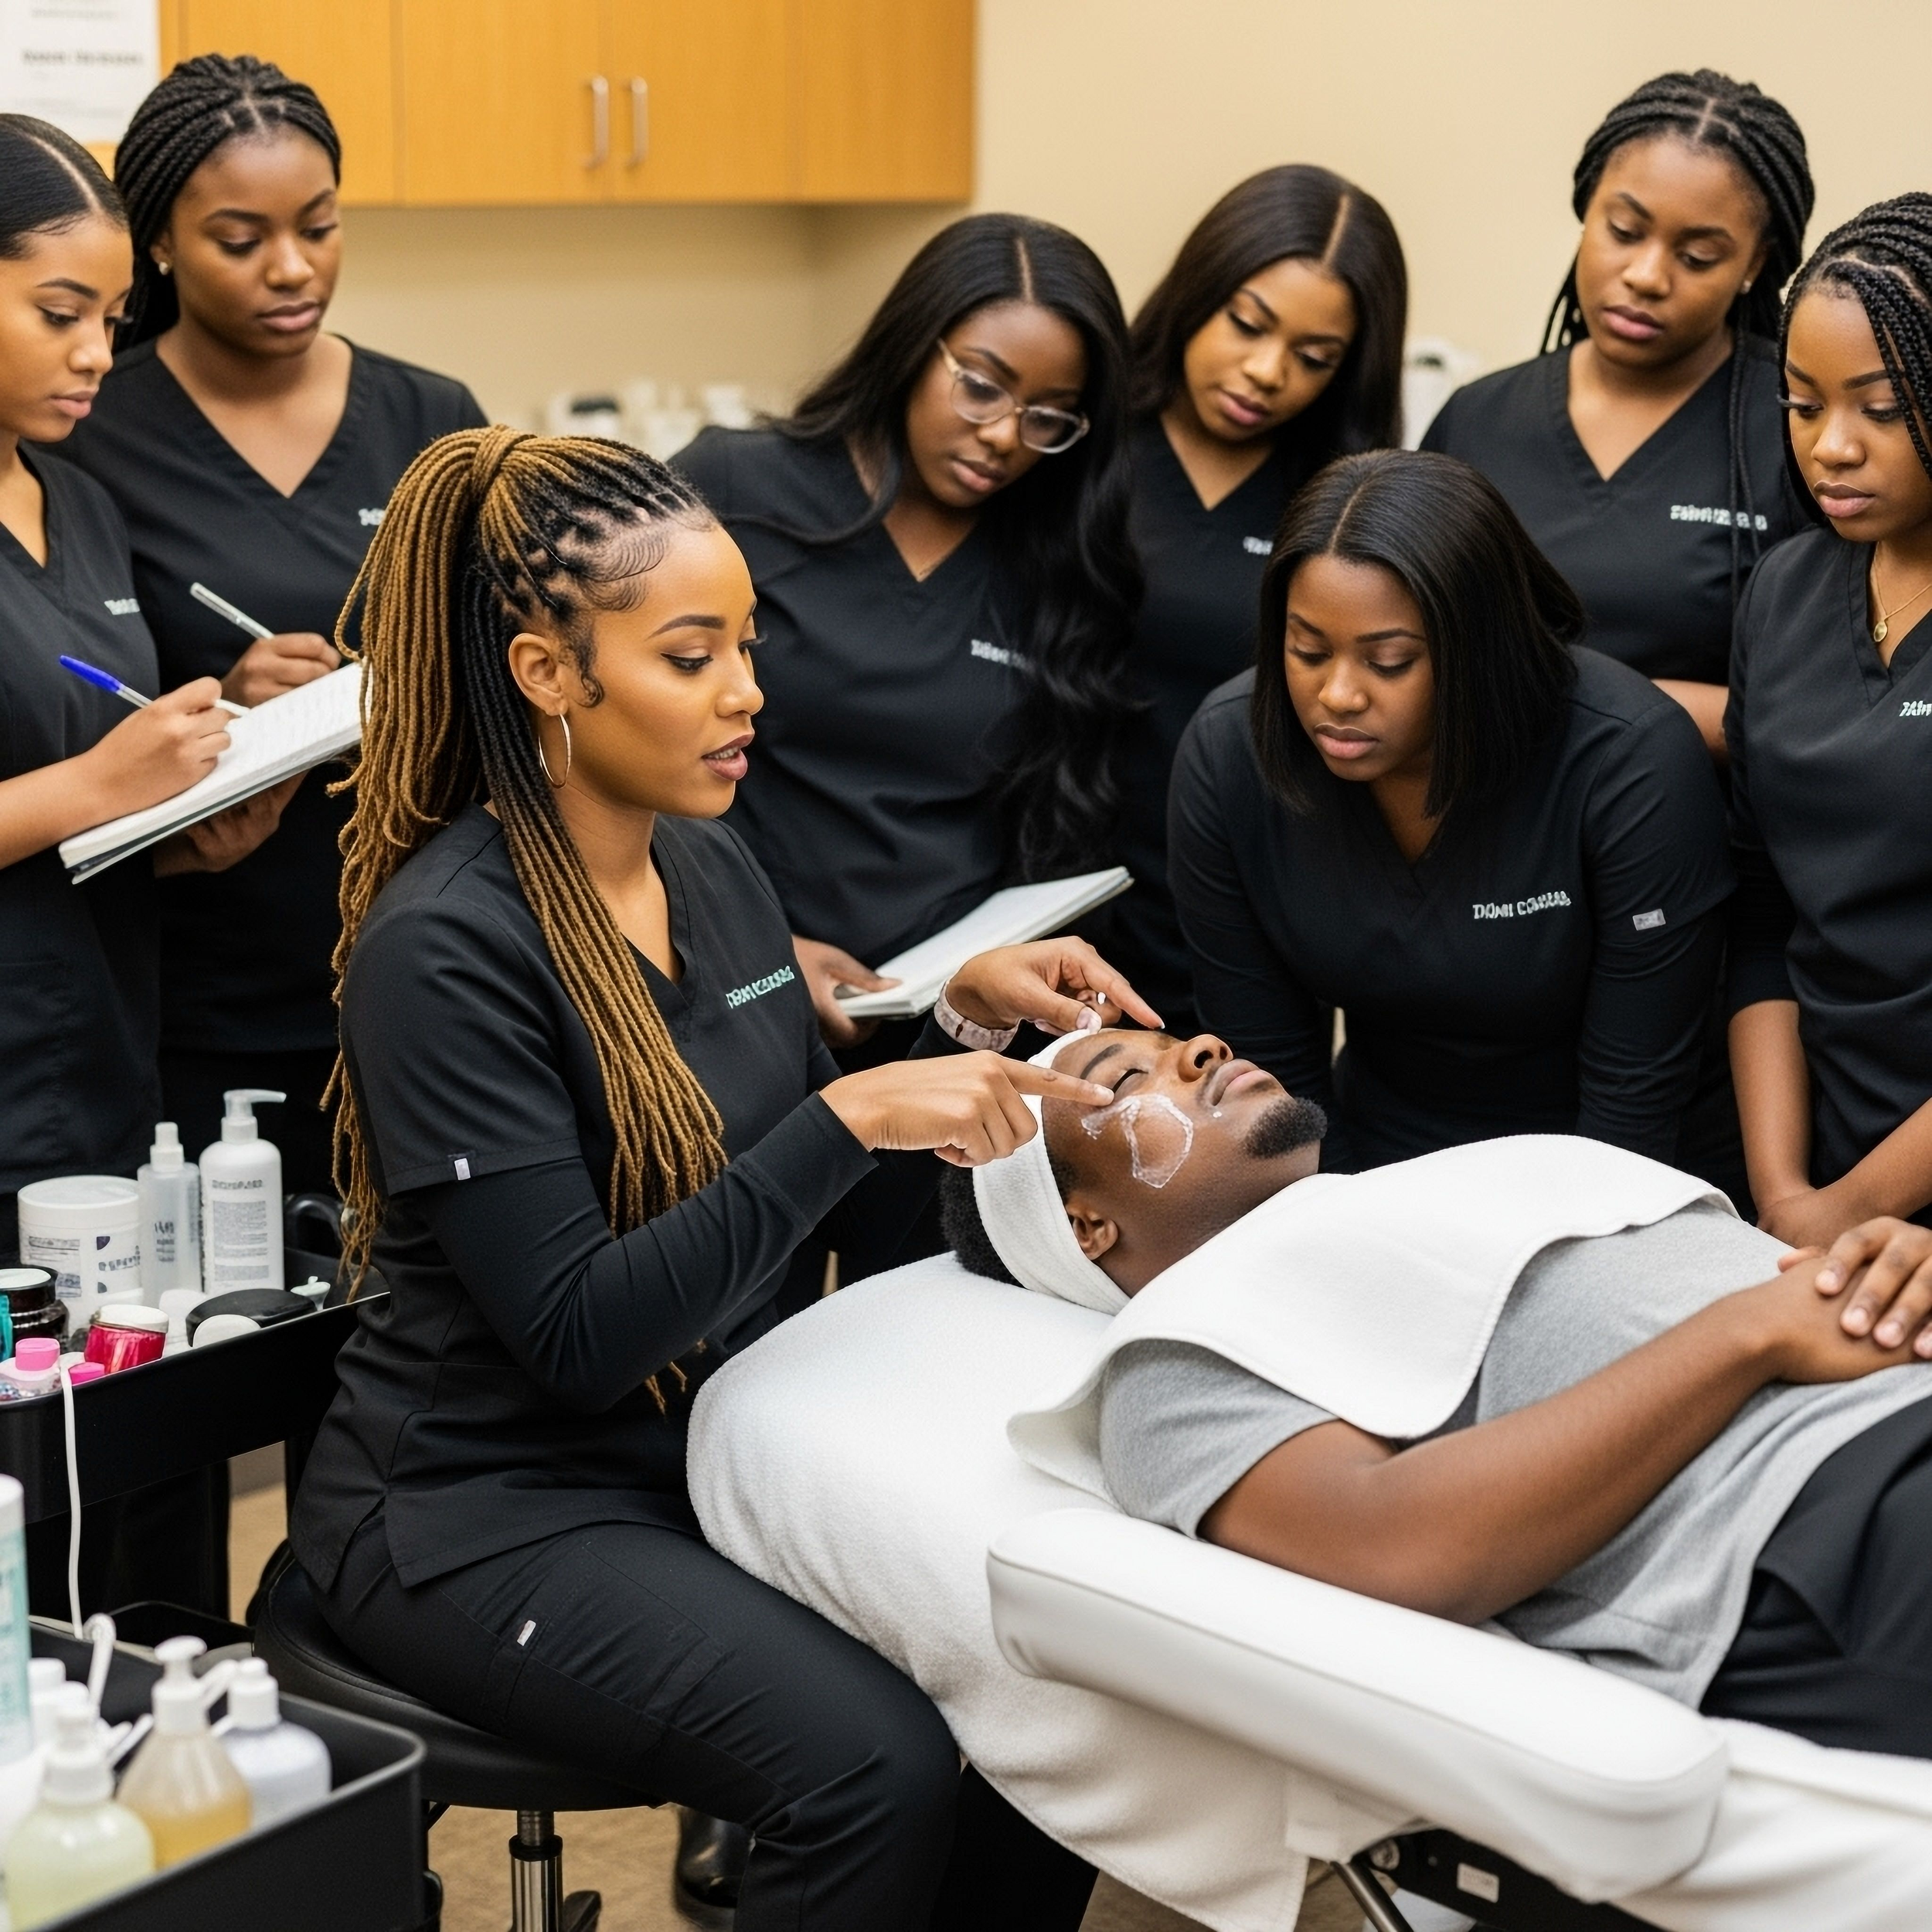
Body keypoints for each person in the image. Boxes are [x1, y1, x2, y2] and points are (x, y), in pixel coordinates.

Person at [287, 427, 1159, 1931]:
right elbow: (579, 1333)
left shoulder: (708, 862)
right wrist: (851, 1120)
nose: (747, 691)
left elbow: (801, 1201)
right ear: (550, 673)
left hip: (703, 1447)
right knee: (868, 1766)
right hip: (478, 1511)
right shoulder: (446, 948)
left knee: (1042, 1684)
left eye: (747, 644)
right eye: (692, 655)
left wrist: (948, 1027)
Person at [946, 1024, 1932, 1756]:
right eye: (1127, 1075)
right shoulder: (1170, 1360)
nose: (1199, 1046)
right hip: (1818, 1526)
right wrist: (1747, 1335)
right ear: (1084, 1228)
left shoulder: (1434, 1189)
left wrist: (1880, 1273)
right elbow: (1400, 1544)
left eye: (1172, 1039)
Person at [60, 54, 485, 1194]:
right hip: (204, 984)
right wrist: (235, 708)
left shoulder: (433, 418)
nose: (293, 269)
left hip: (430, 962)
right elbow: (63, 706)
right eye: (240, 240)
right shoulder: (87, 432)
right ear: (157, 244)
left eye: (321, 226)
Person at [0, 117, 283, 1614]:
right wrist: (91, 782)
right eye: (60, 313)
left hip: (101, 1064)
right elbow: (58, 783)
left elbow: (73, 812)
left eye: (113, 319)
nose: (97, 353)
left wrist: (180, 822)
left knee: (131, 1508)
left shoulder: (79, 501)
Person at [1167, 447, 1730, 1176]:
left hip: (1611, 1165)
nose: (1337, 694)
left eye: (1390, 661)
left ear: (1480, 647)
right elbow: (1273, 1092)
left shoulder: (1630, 761)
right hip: (1378, 1157)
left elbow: (1633, 1106)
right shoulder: (1229, 756)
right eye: (1308, 650)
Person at [675, 213, 1138, 1059]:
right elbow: (620, 739)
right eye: (982, 386)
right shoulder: (737, 486)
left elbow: (1052, 819)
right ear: (911, 345)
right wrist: (758, 950)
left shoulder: (1053, 562)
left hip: (954, 1013)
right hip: (734, 972)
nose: (1004, 435)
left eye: (1048, 417)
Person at [1422, 70, 1813, 761]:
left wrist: (1579, 705)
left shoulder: (1799, 426)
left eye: (1697, 256)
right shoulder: (1477, 420)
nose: (1647, 276)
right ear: (1587, 209)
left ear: (1756, 264)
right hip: (1491, 838)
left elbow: (1843, 698)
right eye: (1624, 230)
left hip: (1707, 845)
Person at [1108, 165, 1406, 1031]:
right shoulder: (1083, 447)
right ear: (1198, 292)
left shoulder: (1336, 503)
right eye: (1246, 324)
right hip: (1055, 889)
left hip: (1245, 902)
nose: (1265, 372)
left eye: (1314, 358)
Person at [1728, 196, 1932, 1250]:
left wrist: (1849, 1213)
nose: (1832, 448)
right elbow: (1764, 912)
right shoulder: (1786, 592)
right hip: (1809, 1168)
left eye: (1882, 408)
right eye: (1803, 406)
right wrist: (1782, 1190)